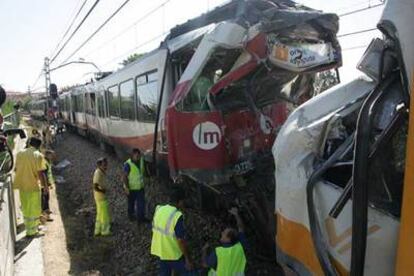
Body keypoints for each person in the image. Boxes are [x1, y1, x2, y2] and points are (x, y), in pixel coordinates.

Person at [151, 188, 194, 275]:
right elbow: (180, 240)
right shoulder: (177, 215)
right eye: (183, 202)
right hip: (174, 253)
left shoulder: (159, 208)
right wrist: (187, 259)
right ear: (180, 201)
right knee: (190, 273)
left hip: (161, 251)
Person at [14, 137, 48, 237]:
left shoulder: (20, 153)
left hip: (21, 185)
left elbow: (16, 169)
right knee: (34, 209)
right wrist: (45, 186)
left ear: (29, 143)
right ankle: (32, 232)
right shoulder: (38, 155)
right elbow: (41, 173)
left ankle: (30, 228)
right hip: (33, 186)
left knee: (26, 207)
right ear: (39, 146)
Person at [202, 207, 247, 275]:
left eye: (224, 233)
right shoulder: (241, 246)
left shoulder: (218, 252)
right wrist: (236, 214)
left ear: (228, 239)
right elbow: (241, 228)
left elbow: (205, 264)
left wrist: (204, 250)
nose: (222, 233)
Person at [123, 148, 148, 223]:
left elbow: (143, 171)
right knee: (131, 203)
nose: (137, 157)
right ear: (132, 156)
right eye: (136, 156)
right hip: (131, 189)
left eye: (138, 155)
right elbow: (124, 177)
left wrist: (147, 178)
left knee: (141, 204)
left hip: (140, 187)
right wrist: (127, 188)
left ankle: (141, 218)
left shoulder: (141, 161)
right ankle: (131, 216)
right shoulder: (128, 164)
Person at [93, 157, 111, 236]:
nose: (106, 166)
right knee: (104, 215)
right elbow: (95, 186)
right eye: (104, 165)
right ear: (99, 165)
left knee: (99, 214)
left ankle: (97, 230)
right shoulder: (98, 173)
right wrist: (103, 191)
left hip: (99, 197)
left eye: (106, 164)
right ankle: (105, 231)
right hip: (101, 197)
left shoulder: (101, 171)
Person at [41, 150, 55, 222]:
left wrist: (50, 184)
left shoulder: (47, 161)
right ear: (47, 154)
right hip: (44, 185)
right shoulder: (44, 162)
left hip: (46, 184)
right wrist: (46, 186)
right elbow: (44, 174)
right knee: (45, 201)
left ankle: (46, 215)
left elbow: (48, 174)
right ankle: (46, 217)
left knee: (46, 200)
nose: (52, 156)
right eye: (51, 155)